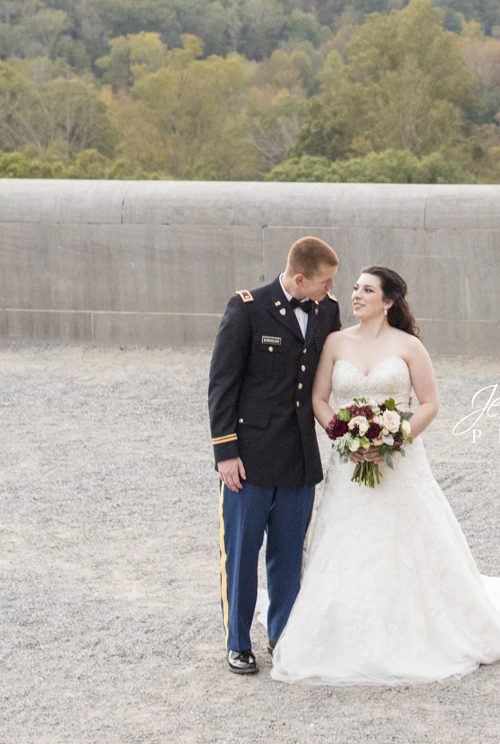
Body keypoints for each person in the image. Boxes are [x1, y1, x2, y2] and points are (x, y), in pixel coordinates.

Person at [270, 265, 500, 684]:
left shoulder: (409, 347)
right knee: (345, 542)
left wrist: (395, 437)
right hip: (349, 462)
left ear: (388, 301)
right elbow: (320, 398)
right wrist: (344, 436)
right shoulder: (335, 342)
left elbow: (429, 403)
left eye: (367, 290)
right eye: (354, 288)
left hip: (399, 462)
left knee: (404, 542)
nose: (355, 295)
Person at [207, 236, 341, 675]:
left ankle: (283, 636)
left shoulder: (328, 310)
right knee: (242, 554)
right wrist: (226, 452)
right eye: (325, 281)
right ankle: (238, 642)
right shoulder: (247, 308)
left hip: (299, 456)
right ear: (299, 278)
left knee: (288, 554)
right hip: (250, 458)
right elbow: (222, 384)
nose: (330, 288)